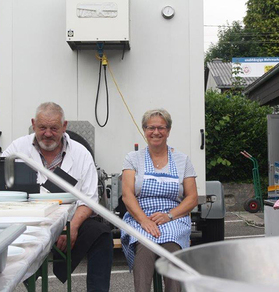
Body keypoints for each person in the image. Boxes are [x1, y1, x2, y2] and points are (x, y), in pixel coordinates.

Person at [2, 102, 113, 292]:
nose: (47, 133)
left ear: (64, 126)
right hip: (30, 221)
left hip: (71, 221)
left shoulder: (80, 153)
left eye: (53, 128)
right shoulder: (17, 148)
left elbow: (90, 198)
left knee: (102, 236)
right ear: (33, 124)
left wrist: (73, 227)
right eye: (42, 127)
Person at [121, 108, 198, 292]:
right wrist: (144, 220)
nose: (156, 132)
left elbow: (192, 197)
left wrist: (169, 216)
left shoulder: (182, 160)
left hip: (174, 218)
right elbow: (127, 195)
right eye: (151, 128)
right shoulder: (133, 159)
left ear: (168, 131)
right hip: (141, 218)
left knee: (172, 254)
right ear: (144, 130)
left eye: (161, 128)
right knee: (144, 251)